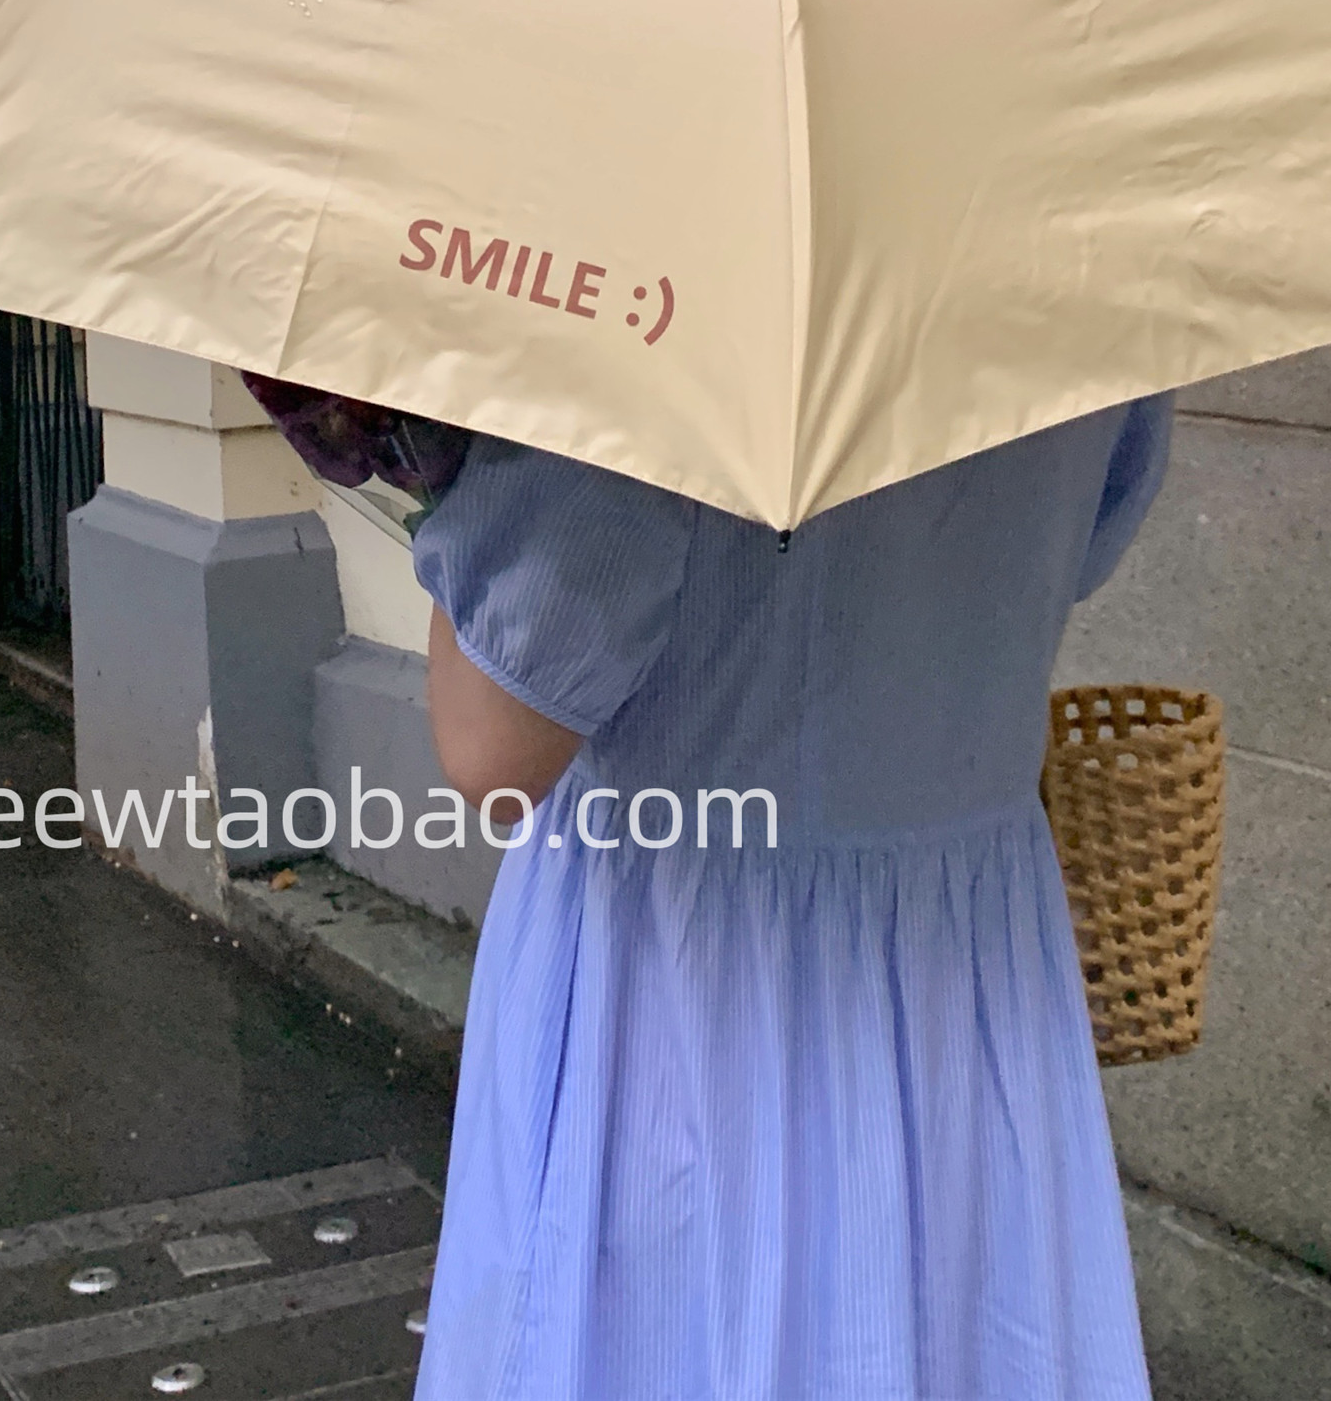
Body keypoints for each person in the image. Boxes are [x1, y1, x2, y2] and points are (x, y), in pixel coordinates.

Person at [244, 378, 1172, 1400]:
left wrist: (450, 476)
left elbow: (494, 752)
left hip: (691, 981)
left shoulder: (658, 327)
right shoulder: (1077, 281)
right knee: (966, 1323)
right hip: (970, 965)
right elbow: (1080, 548)